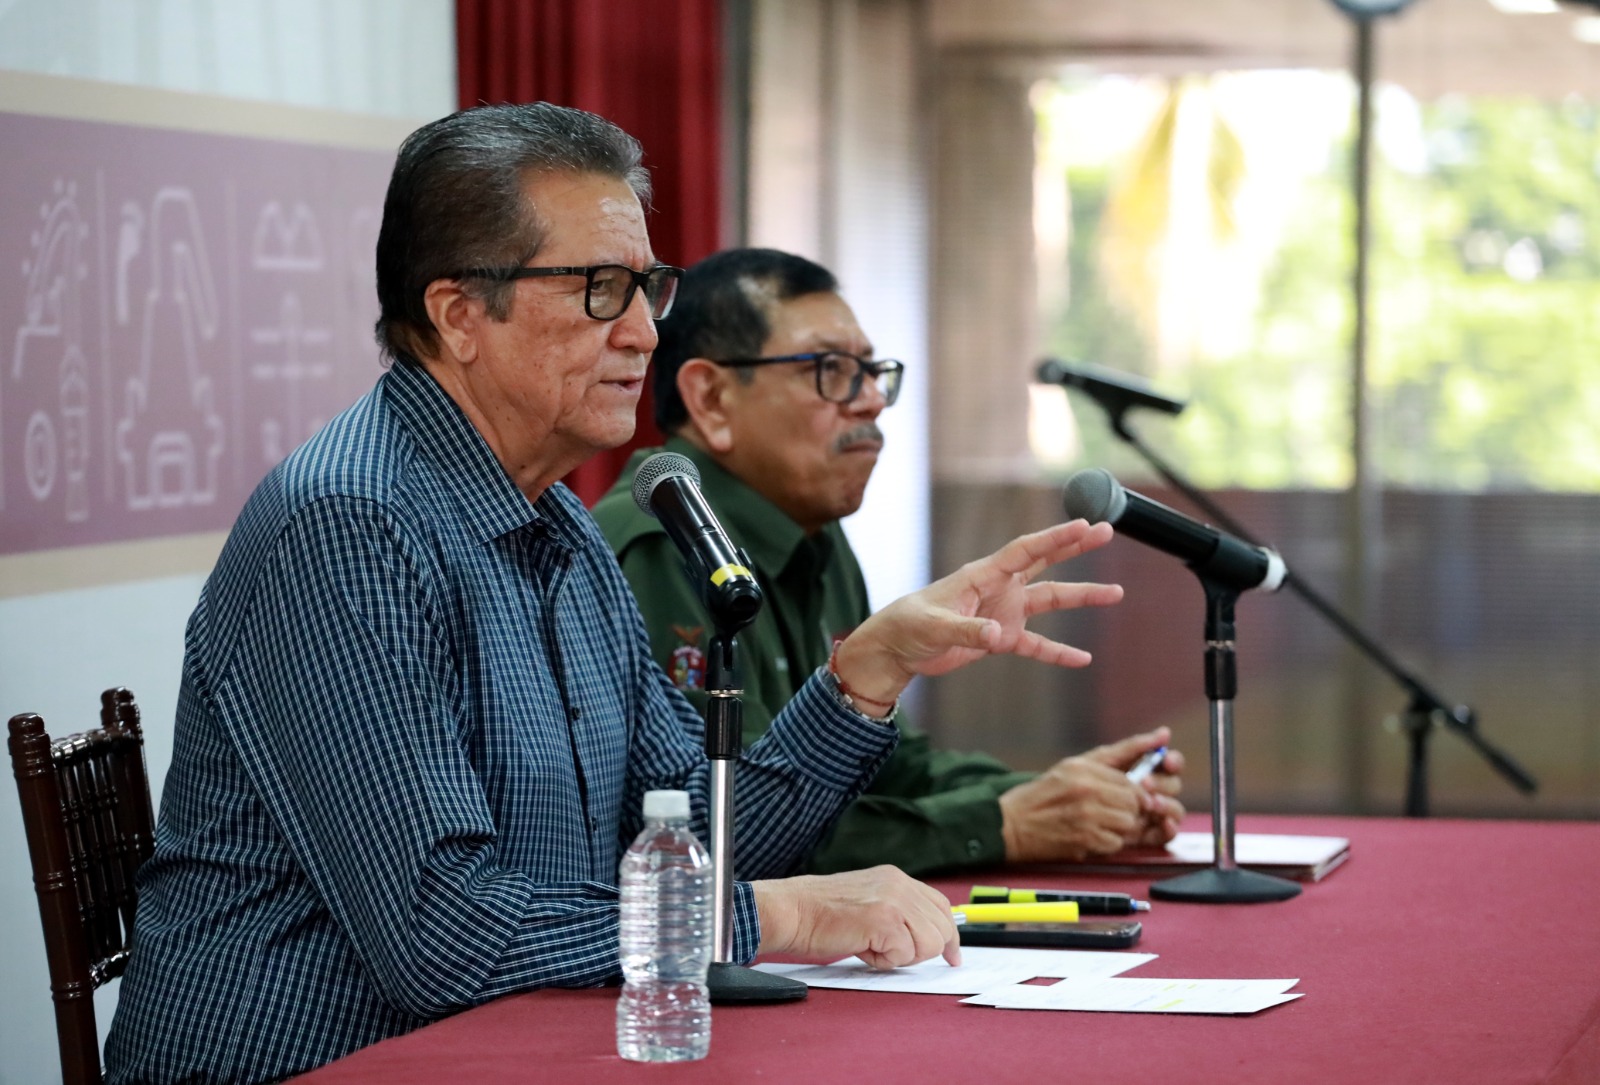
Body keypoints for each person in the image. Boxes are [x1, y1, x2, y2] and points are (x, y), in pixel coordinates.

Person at [102, 105, 1126, 1084]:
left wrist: (867, 671)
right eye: (599, 288)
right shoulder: (350, 527)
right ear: (459, 314)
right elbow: (440, 935)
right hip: (298, 1060)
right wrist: (781, 918)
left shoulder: (553, 525)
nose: (642, 332)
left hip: (504, 1043)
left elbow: (697, 834)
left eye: (647, 287)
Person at [594, 248, 1184, 877]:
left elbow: (885, 771)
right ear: (711, 399)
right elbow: (729, 831)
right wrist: (1003, 824)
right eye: (831, 370)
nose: (872, 399)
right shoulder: (665, 548)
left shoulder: (813, 534)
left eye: (873, 372)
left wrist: (1056, 793)